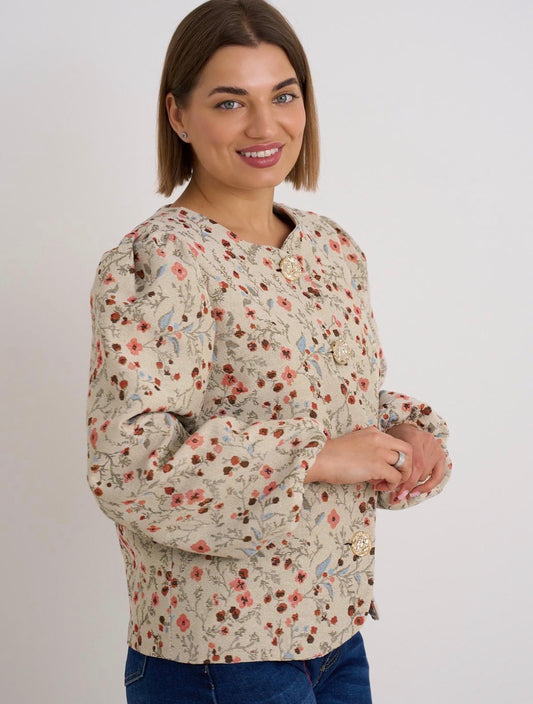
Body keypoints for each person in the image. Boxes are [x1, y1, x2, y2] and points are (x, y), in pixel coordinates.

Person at [87, 1, 451, 702]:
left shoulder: (330, 247)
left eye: (283, 96)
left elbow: (330, 401)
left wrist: (404, 433)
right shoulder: (161, 262)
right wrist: (315, 457)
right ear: (178, 115)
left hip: (337, 635)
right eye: (230, 102)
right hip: (222, 656)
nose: (265, 126)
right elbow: (127, 468)